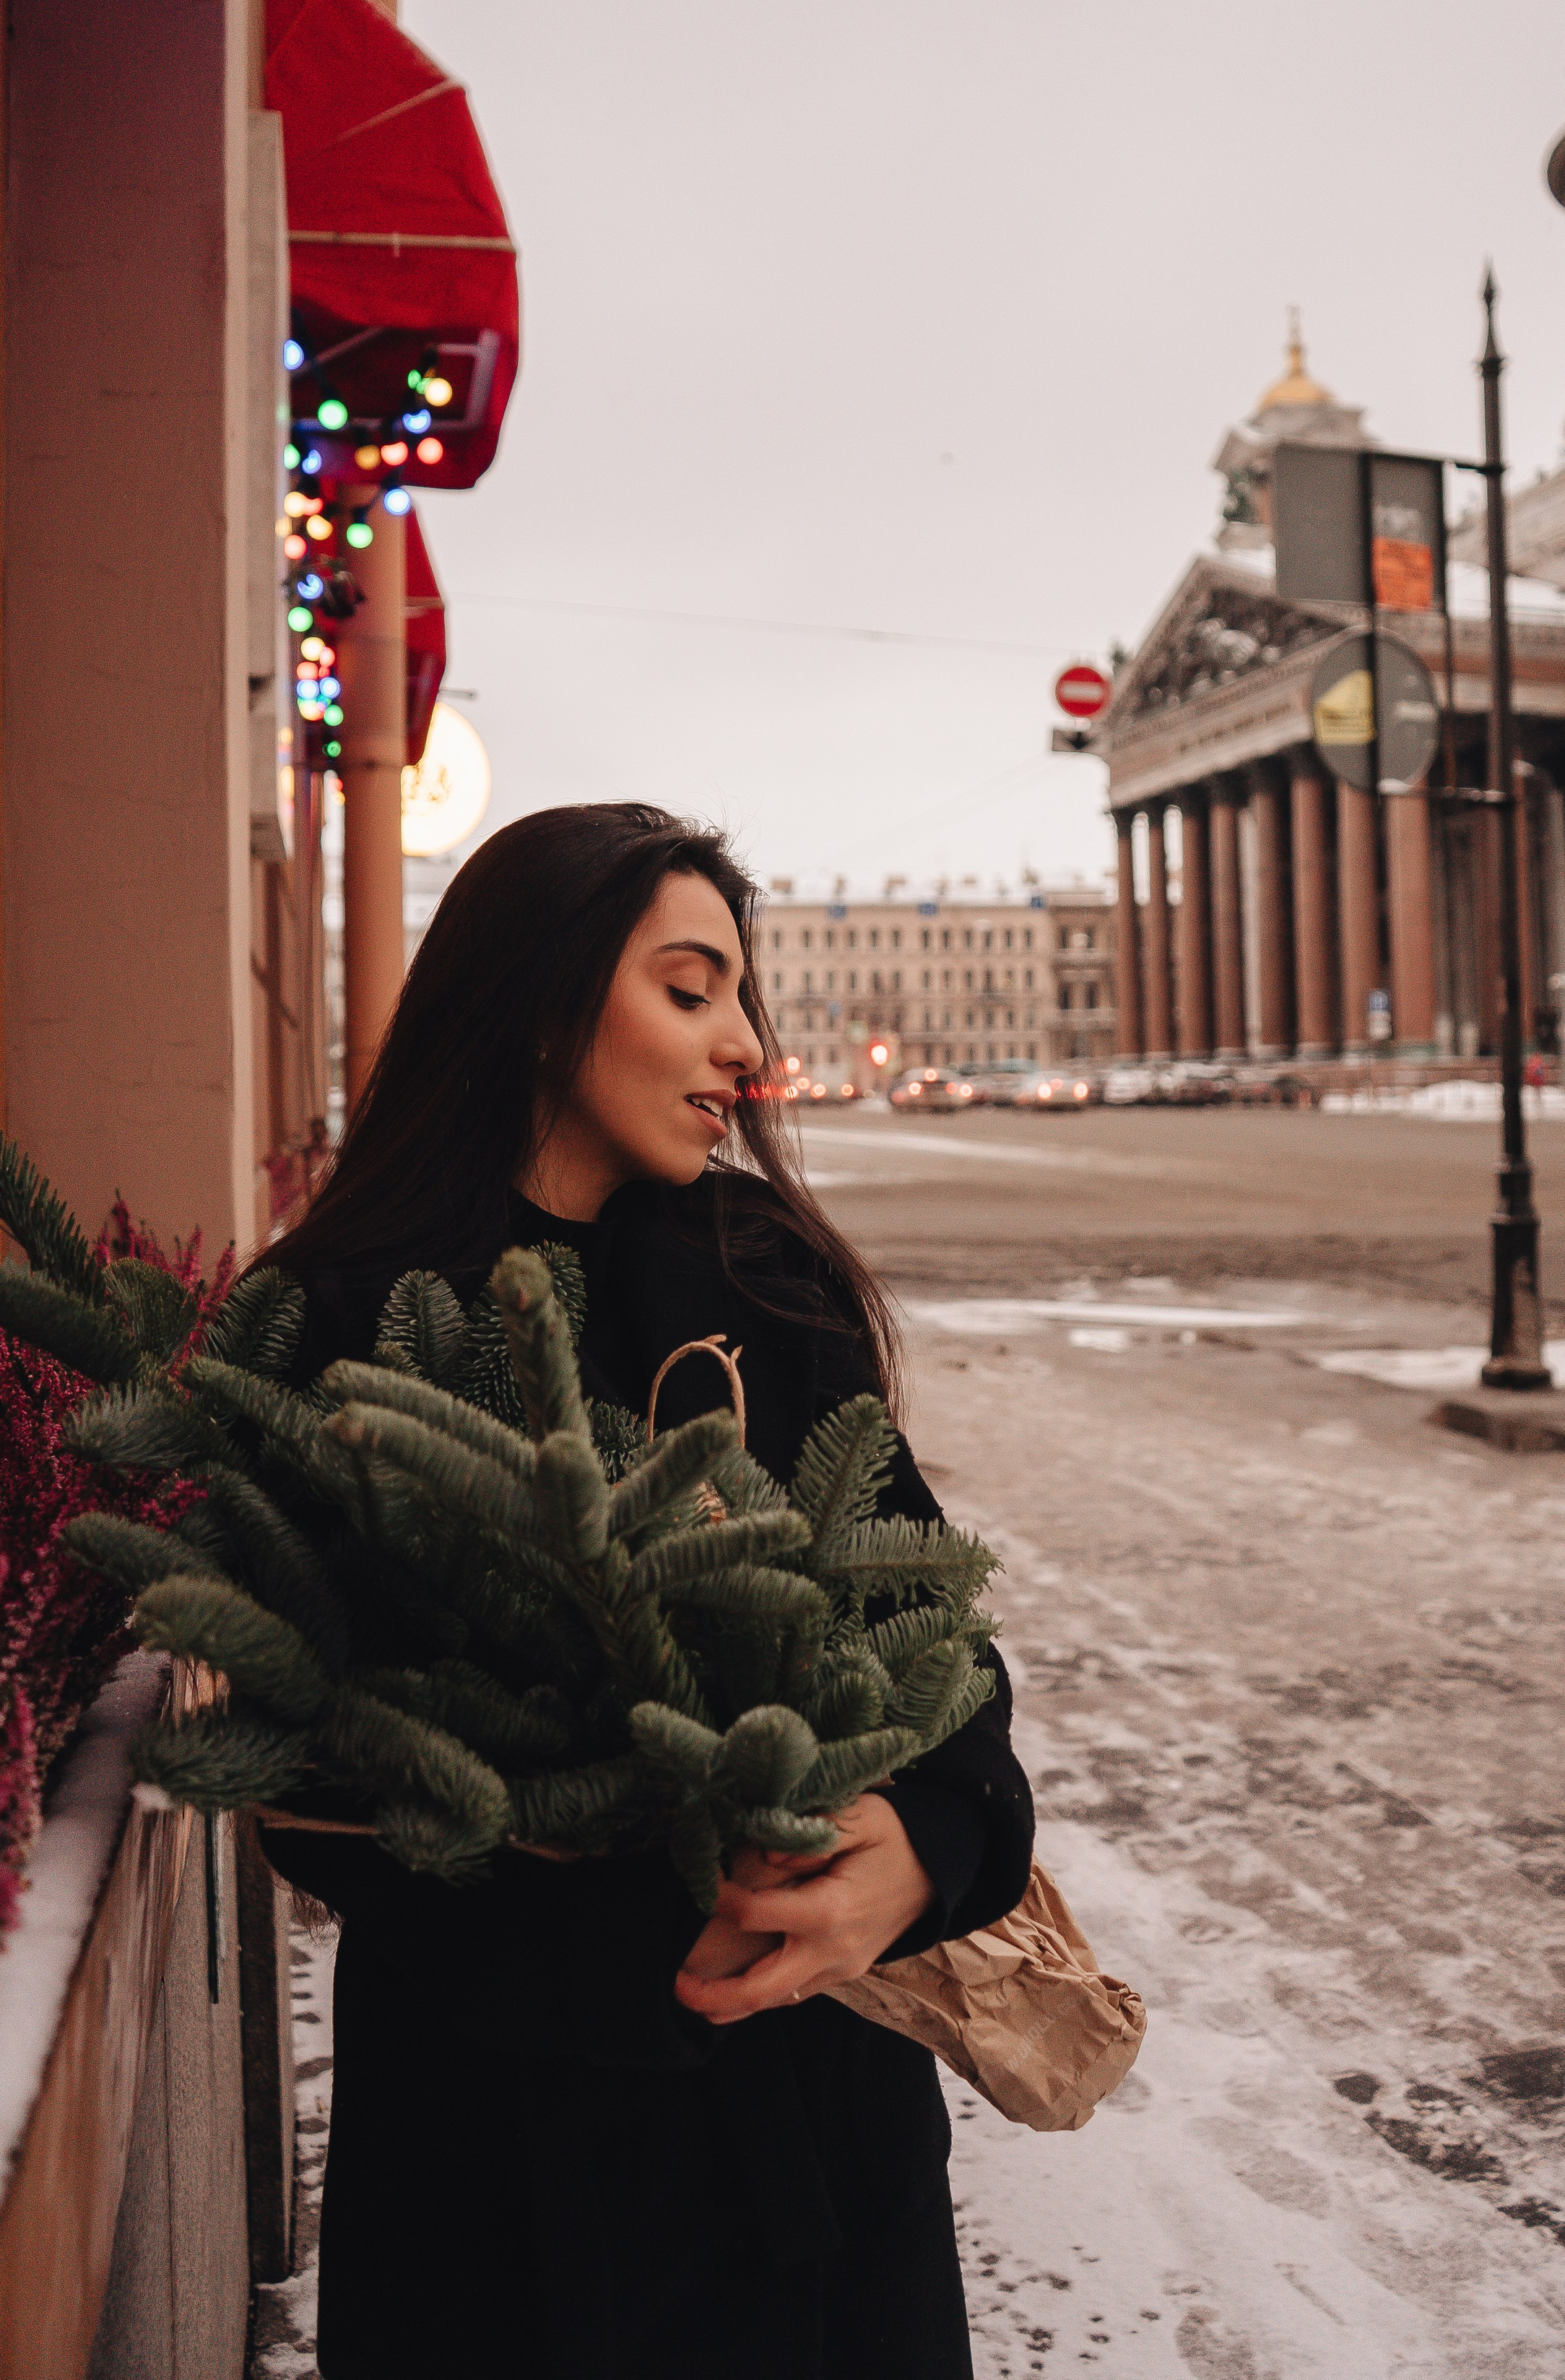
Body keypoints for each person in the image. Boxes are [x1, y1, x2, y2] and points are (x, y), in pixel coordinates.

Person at [259, 802, 1033, 2380]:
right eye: (691, 990)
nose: (745, 1045)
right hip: (494, 2184)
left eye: (743, 996)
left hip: (806, 2163)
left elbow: (934, 1651)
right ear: (544, 1005)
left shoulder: (756, 1277)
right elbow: (295, 1766)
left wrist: (930, 1853)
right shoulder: (328, 1319)